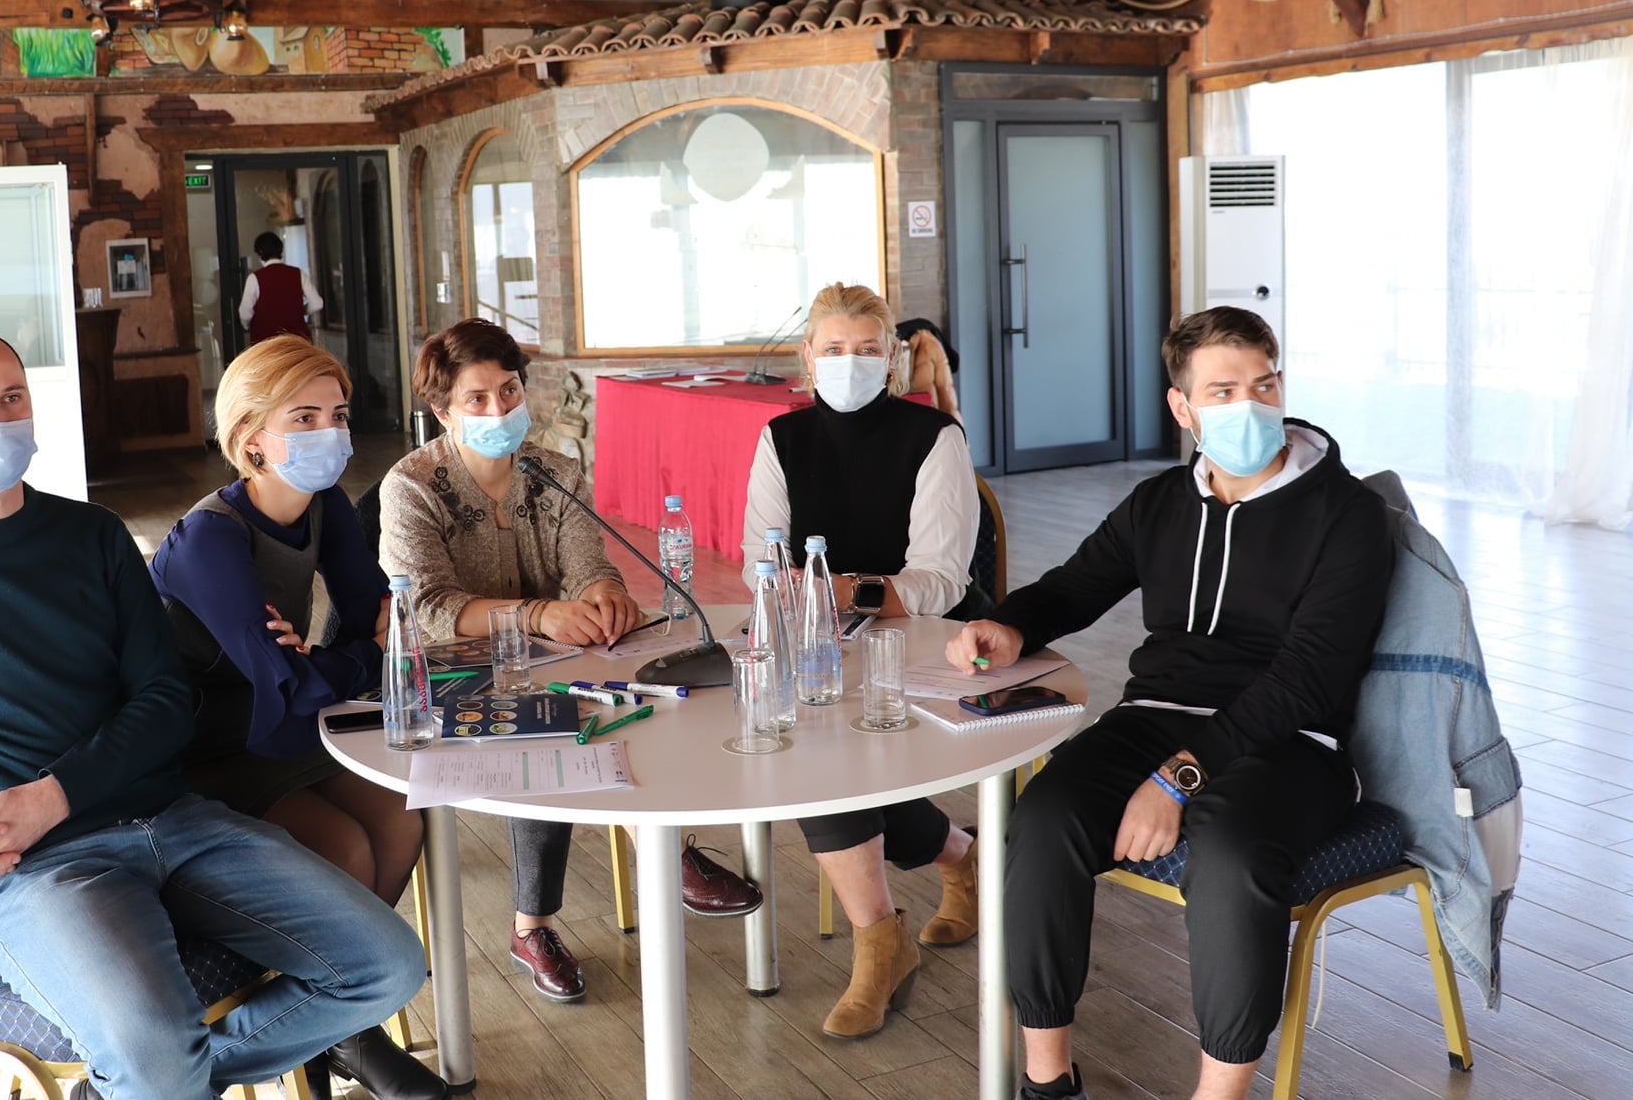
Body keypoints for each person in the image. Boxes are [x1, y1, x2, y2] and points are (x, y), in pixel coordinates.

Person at [0, 325, 428, 1100]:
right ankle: (145, 1081)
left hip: (177, 822)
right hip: (31, 868)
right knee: (155, 1058)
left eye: (11, 398)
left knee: (388, 966)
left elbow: (166, 701)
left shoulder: (94, 535)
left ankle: (137, 1085)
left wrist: (55, 793)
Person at [945, 306, 1393, 1100]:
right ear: (1182, 407)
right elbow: (1076, 586)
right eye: (1223, 390)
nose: (1251, 404)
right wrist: (1010, 625)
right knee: (1041, 819)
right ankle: (1049, 1081)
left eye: (1264, 383)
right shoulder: (1159, 502)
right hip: (1154, 717)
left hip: (1295, 742)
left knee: (1230, 856)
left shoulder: (1346, 513)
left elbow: (1309, 679)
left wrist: (1178, 777)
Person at [380, 318, 762, 1004]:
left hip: (556, 655)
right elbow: (430, 608)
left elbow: (590, 564)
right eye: (477, 399)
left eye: (509, 390)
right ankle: (532, 927)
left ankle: (665, 847)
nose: (499, 409)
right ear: (442, 411)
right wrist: (536, 614)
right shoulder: (411, 485)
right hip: (450, 674)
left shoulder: (554, 472)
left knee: (641, 690)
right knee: (544, 725)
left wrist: (604, 596)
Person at [150, 335, 440, 1100]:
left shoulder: (327, 507)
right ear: (251, 439)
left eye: (337, 414)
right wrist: (343, 658)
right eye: (303, 416)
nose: (329, 432)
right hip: (200, 751)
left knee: (401, 816)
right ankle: (338, 1025)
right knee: (345, 845)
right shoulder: (210, 537)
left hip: (281, 729)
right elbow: (303, 678)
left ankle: (341, 1020)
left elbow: (377, 632)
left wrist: (330, 660)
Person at [740, 282, 982, 1040]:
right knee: (801, 737)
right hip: (817, 641)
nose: (851, 362)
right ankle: (956, 858)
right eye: (835, 349)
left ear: (893, 357)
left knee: (819, 757)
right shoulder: (781, 437)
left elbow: (942, 581)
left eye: (868, 349)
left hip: (921, 642)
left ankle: (880, 943)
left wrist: (845, 590)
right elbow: (757, 561)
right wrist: (805, 596)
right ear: (808, 357)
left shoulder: (934, 435)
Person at [240, 229, 323, 344]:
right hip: (298, 341)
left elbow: (245, 313)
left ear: (260, 252)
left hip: (266, 343)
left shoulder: (254, 278)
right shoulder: (298, 274)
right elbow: (318, 303)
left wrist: (248, 326)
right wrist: (301, 310)